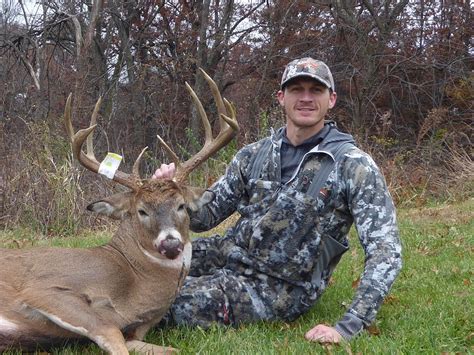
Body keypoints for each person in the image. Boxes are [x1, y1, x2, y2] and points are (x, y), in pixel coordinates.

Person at [153, 57, 402, 343]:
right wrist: (171, 195)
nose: (306, 98)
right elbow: (204, 217)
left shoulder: (353, 165)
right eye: (296, 89)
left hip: (275, 289)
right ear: (281, 97)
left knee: (155, 301)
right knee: (141, 269)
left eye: (316, 90)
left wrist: (349, 325)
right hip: (225, 253)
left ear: (331, 99)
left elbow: (386, 251)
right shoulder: (253, 154)